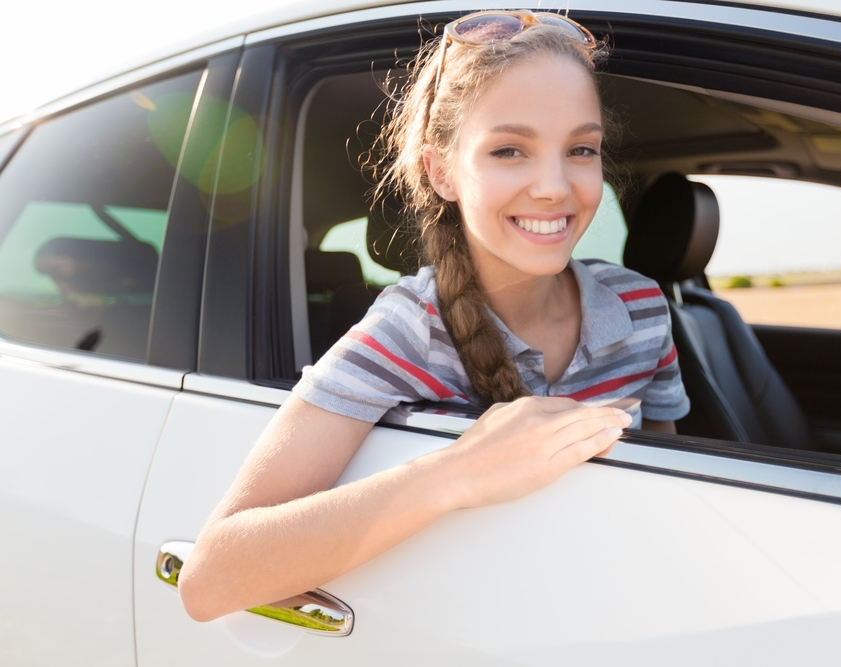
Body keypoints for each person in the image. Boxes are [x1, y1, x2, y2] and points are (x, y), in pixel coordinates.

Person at [178, 10, 689, 622]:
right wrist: (459, 471)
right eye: (509, 150)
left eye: (580, 149)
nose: (555, 186)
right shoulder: (405, 333)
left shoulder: (641, 307)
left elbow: (672, 483)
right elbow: (209, 579)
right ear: (441, 171)